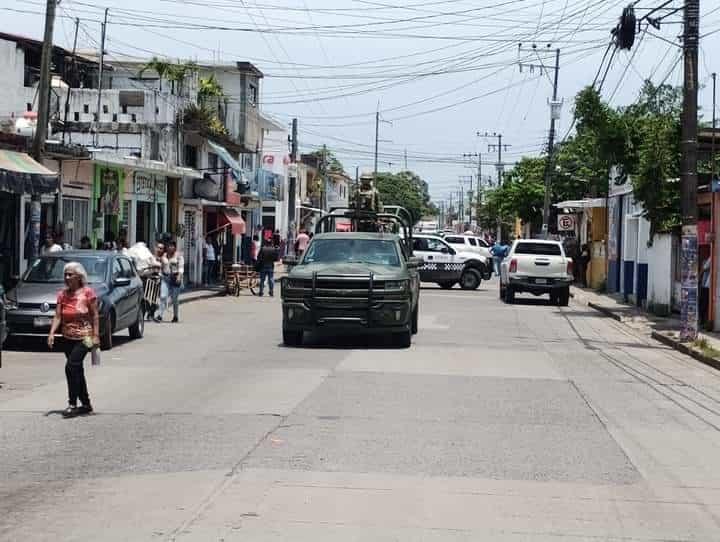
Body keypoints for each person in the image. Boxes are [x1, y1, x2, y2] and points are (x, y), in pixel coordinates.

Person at [47, 262, 99, 418]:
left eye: (70, 274)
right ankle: (86, 403)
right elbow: (58, 316)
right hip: (68, 337)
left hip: (87, 337)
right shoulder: (62, 295)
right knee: (77, 369)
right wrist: (51, 333)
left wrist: (96, 336)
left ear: (79, 277)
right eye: (65, 275)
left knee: (71, 366)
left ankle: (72, 404)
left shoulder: (88, 293)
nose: (67, 277)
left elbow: (95, 315)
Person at [158, 240, 184, 323]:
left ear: (175, 247)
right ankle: (160, 315)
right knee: (163, 296)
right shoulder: (164, 256)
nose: (170, 248)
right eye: (169, 246)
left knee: (175, 299)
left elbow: (181, 267)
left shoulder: (179, 256)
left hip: (175, 279)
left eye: (172, 246)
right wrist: (159, 275)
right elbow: (161, 267)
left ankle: (175, 316)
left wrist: (179, 276)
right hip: (165, 279)